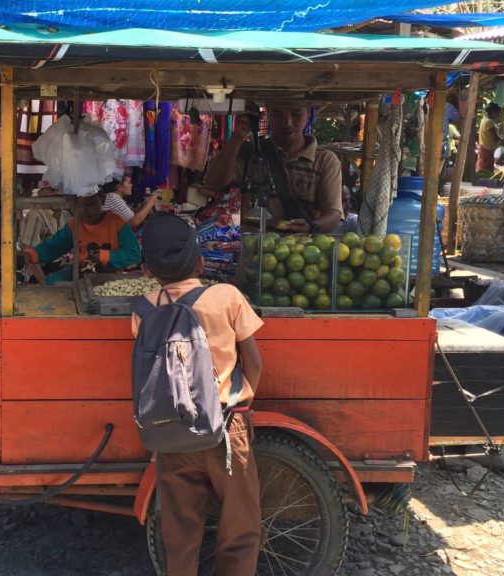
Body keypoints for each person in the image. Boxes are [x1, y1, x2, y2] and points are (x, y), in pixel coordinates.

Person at [131, 213, 263, 575]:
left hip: (173, 432)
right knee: (240, 529)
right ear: (202, 262)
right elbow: (253, 361)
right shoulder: (228, 297)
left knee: (180, 533)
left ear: (147, 271)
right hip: (227, 426)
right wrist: (243, 396)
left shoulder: (143, 309)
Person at [204, 100, 343, 234]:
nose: (287, 123)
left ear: (308, 113)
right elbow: (213, 183)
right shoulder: (249, 153)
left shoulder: (325, 160)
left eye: (296, 114)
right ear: (268, 114)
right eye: (277, 114)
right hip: (254, 254)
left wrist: (311, 226)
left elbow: (334, 213)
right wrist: (237, 137)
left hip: (302, 254)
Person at [20, 190, 140, 284]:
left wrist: (105, 256)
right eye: (79, 206)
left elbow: (134, 255)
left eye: (90, 205)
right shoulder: (74, 224)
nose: (84, 211)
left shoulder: (117, 223)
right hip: (79, 273)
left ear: (102, 200)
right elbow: (55, 246)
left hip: (110, 276)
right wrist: (33, 254)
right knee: (51, 282)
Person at [476, 102, 504, 173]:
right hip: (488, 150)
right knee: (487, 170)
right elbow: (495, 137)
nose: (499, 115)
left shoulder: (484, 120)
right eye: (498, 112)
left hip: (484, 148)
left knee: (483, 169)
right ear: (493, 112)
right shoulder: (490, 122)